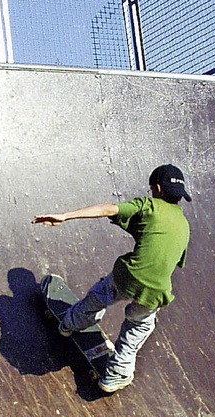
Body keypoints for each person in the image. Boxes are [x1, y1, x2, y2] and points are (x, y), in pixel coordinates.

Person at [32, 164, 191, 393]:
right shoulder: (184, 225)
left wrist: (65, 216)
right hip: (156, 290)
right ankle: (117, 374)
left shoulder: (148, 205)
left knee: (103, 293)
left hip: (129, 275)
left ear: (156, 188)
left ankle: (70, 324)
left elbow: (108, 209)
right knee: (138, 326)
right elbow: (170, 259)